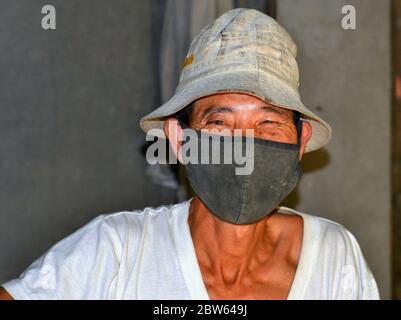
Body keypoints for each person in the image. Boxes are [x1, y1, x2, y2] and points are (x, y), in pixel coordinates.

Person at [0, 8, 379, 300]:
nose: (245, 145)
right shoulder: (116, 252)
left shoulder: (334, 257)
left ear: (299, 142)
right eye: (220, 124)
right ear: (179, 140)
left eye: (268, 125)